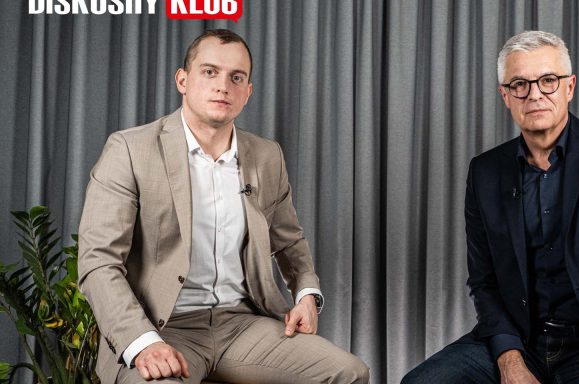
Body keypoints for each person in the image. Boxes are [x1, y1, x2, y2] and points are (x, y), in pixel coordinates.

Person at [78, 29, 369, 384]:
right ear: (183, 80)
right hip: (161, 327)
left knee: (350, 373)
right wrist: (142, 343)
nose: (223, 86)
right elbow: (98, 261)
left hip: (242, 325)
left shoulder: (266, 155)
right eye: (209, 72)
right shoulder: (129, 149)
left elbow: (289, 241)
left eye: (236, 77)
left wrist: (307, 294)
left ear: (248, 92)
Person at [401, 31, 579, 384]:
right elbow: (484, 282)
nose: (534, 95)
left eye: (548, 80)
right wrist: (509, 358)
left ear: (569, 87)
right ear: (506, 95)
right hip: (520, 340)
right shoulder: (485, 172)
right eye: (520, 84)